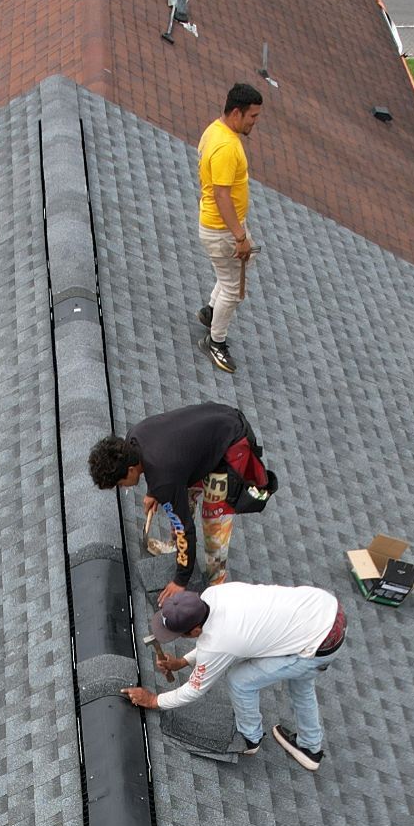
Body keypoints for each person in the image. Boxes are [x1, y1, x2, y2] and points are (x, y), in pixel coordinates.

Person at [123, 582, 341, 770]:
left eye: (180, 634)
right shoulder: (213, 595)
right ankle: (310, 748)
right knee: (301, 684)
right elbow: (216, 643)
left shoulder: (219, 642)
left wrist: (153, 701)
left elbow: (195, 688)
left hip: (317, 644)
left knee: (240, 680)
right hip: (325, 610)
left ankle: (249, 738)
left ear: (195, 630)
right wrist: (182, 662)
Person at [88, 405, 270, 593]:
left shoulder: (163, 479)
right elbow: (164, 459)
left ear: (131, 470)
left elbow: (186, 529)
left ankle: (217, 587)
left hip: (231, 443)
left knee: (213, 521)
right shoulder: (134, 437)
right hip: (215, 424)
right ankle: (178, 549)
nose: (123, 487)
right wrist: (154, 491)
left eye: (120, 483)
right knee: (180, 495)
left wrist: (180, 581)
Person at [196, 82, 264, 376]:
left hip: (221, 226)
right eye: (252, 117)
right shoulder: (226, 147)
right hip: (223, 230)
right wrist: (239, 236)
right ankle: (215, 341)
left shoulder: (215, 130)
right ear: (237, 112)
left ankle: (211, 311)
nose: (254, 123)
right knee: (234, 289)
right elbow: (222, 194)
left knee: (228, 276)